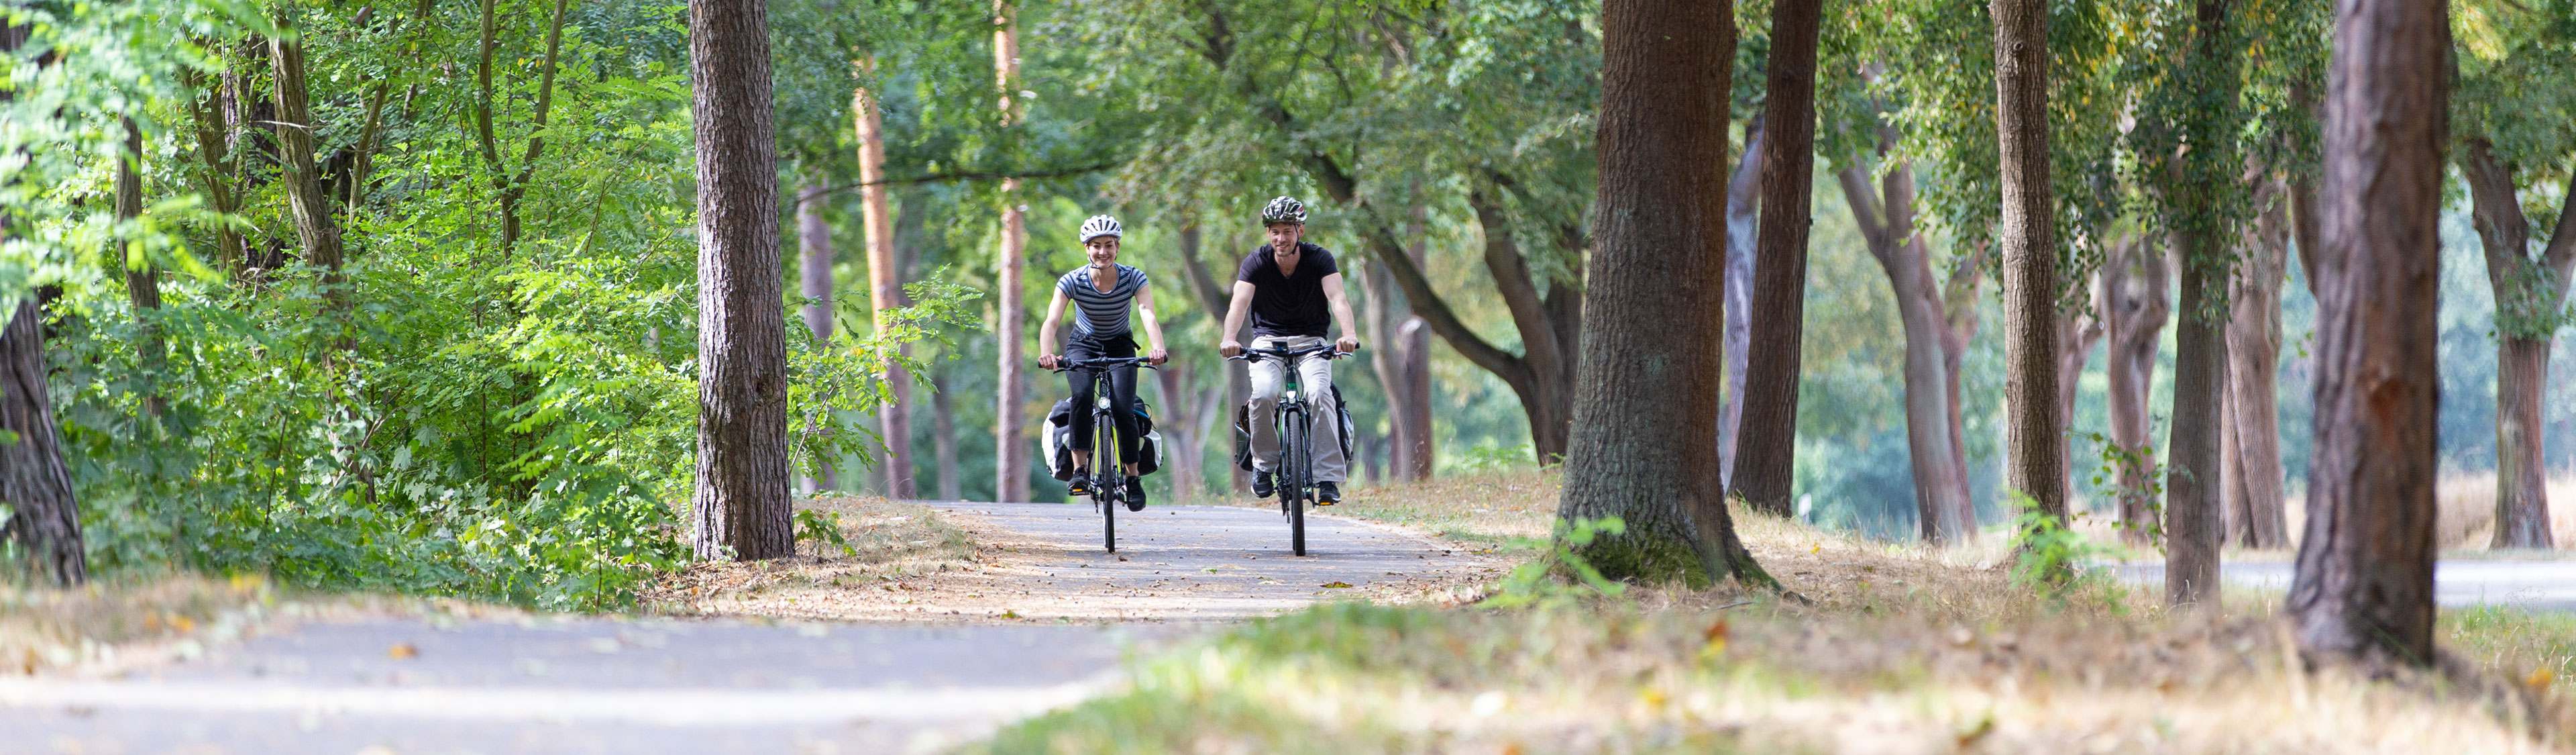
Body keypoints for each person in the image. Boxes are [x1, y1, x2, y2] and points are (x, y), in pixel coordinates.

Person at [1219, 197, 1361, 504]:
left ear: (1301, 231)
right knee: (1264, 394)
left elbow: (1338, 299)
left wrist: (1348, 334)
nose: (1280, 239)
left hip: (1312, 342)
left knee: (1320, 394)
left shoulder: (1320, 259)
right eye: (1274, 232)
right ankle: (1263, 467)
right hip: (1268, 343)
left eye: (1287, 231)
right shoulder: (1255, 262)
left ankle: (1327, 479)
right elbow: (1239, 303)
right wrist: (1229, 337)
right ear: (1268, 233)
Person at [1036, 214, 1171, 509]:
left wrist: (1158, 347)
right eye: (1096, 246)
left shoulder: (1133, 277)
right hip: (1082, 344)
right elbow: (1052, 319)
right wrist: (1047, 352)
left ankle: (1133, 479)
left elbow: (1147, 312)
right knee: (1082, 396)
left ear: (1118, 247)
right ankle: (1081, 470)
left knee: (1123, 408)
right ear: (1086, 249)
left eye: (1109, 245)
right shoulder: (1073, 280)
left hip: (1121, 344)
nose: (1103, 252)